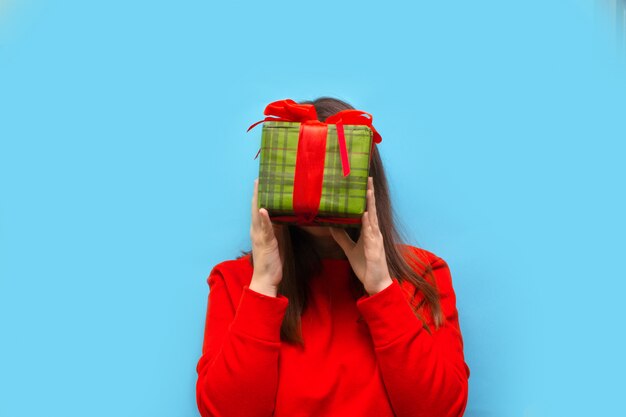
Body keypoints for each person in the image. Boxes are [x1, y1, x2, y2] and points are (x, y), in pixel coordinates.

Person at [195, 97, 471, 417]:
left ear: (368, 182)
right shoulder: (236, 282)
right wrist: (263, 285)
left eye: (336, 169)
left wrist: (382, 289)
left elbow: (440, 411)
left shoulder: (424, 274)